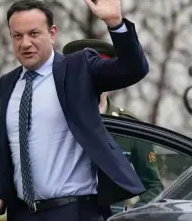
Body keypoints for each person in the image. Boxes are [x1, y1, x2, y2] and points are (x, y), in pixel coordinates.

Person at [0, 0, 149, 221]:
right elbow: (7, 147)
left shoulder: (77, 67)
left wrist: (116, 24)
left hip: (74, 211)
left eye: (33, 33)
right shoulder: (8, 83)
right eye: (17, 36)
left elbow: (133, 69)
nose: (25, 43)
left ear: (52, 33)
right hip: (22, 214)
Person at [62, 39, 164, 210]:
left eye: (100, 74)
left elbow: (153, 186)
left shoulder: (129, 126)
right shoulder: (55, 117)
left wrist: (132, 216)